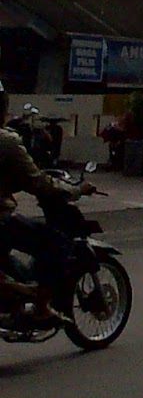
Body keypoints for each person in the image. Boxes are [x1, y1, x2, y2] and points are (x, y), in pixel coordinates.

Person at [0, 80, 97, 326]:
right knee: (56, 241)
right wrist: (76, 190)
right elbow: (39, 183)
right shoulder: (8, 142)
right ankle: (42, 306)